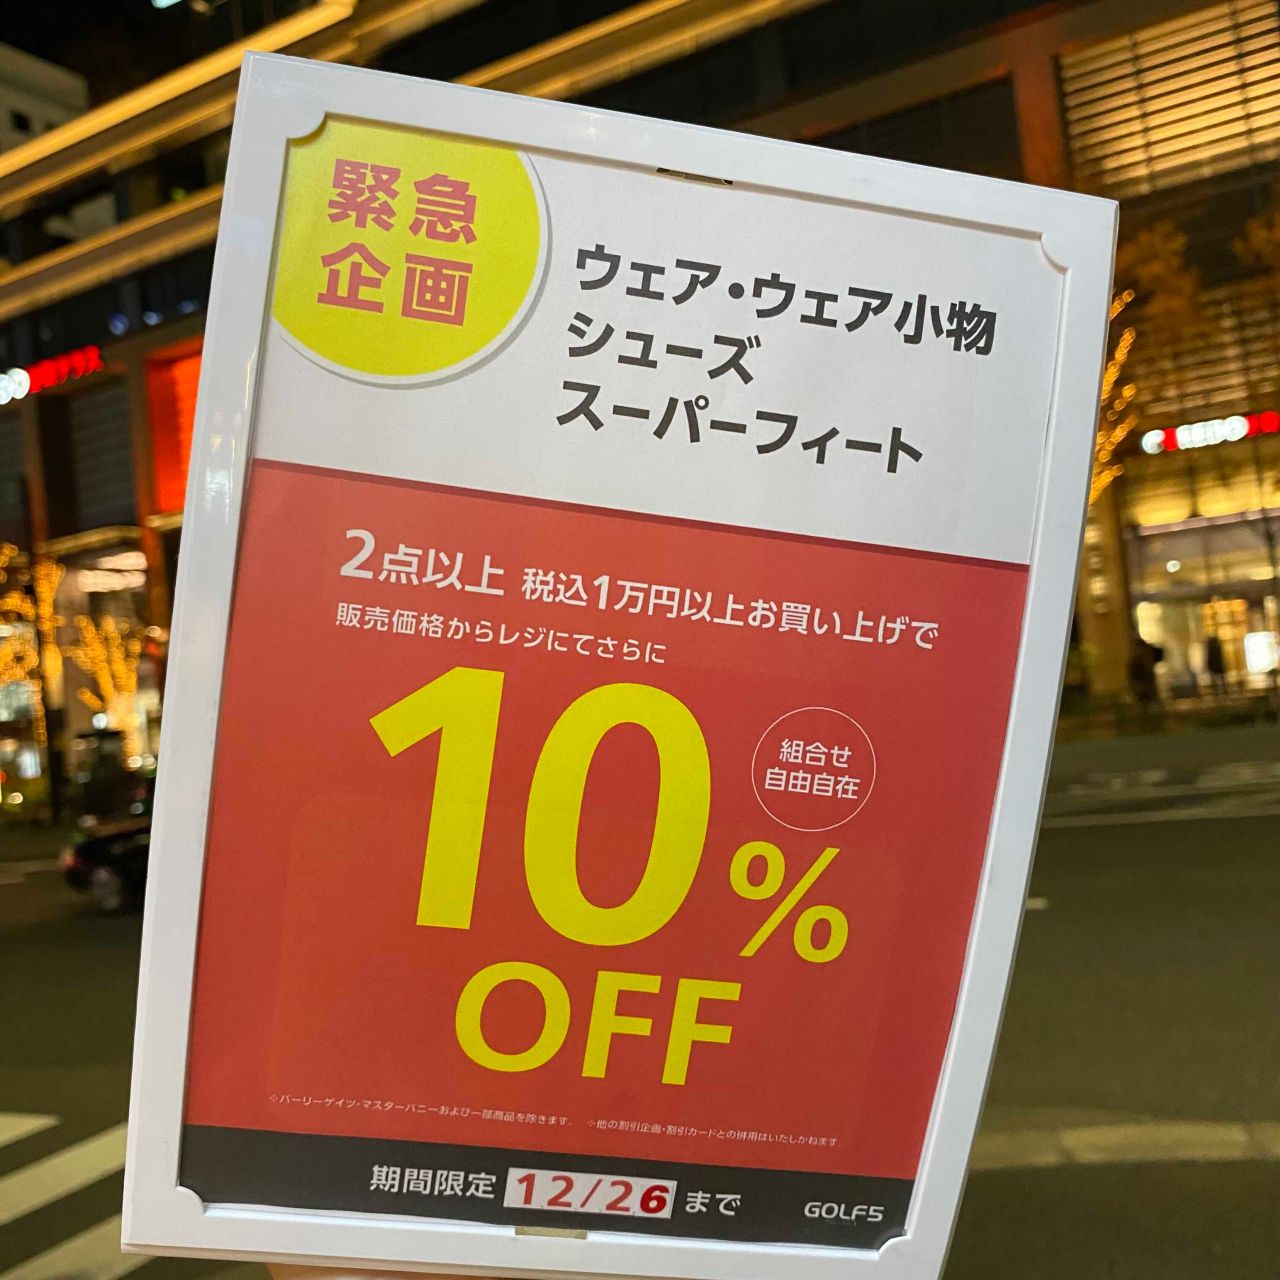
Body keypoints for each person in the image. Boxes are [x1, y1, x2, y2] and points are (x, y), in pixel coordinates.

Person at [1203, 630, 1228, 696]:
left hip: (1214, 665)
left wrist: (1208, 665)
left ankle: (1217, 691)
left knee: (1215, 679)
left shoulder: (1210, 646)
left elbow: (1209, 656)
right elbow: (1221, 656)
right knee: (1221, 679)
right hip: (1219, 664)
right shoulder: (1217, 645)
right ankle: (1224, 690)